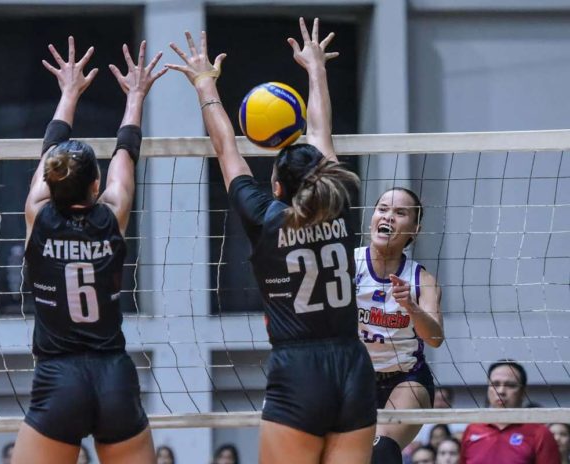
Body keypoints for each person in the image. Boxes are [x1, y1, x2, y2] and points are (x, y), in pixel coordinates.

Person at [167, 17, 376, 464]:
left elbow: (227, 149)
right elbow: (321, 133)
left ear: (277, 186)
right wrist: (315, 70)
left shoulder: (266, 217)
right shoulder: (341, 197)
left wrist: (205, 85)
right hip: (354, 366)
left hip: (299, 369)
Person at [11, 36, 166, 464]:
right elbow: (126, 154)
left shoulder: (37, 214)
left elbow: (50, 156)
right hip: (113, 375)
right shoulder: (112, 214)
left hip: (59, 378)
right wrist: (135, 97)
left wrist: (68, 94)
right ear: (96, 187)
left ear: (51, 182)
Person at [356, 186, 444, 464]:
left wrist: (411, 307)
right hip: (353, 379)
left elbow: (435, 338)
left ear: (414, 229)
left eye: (400, 212)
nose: (389, 216)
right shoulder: (346, 265)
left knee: (380, 450)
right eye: (383, 209)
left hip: (406, 378)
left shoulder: (422, 280)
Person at [460, 360, 560, 464]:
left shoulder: (540, 433)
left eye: (510, 385)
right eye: (495, 384)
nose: (501, 391)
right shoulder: (472, 429)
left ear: (523, 391)